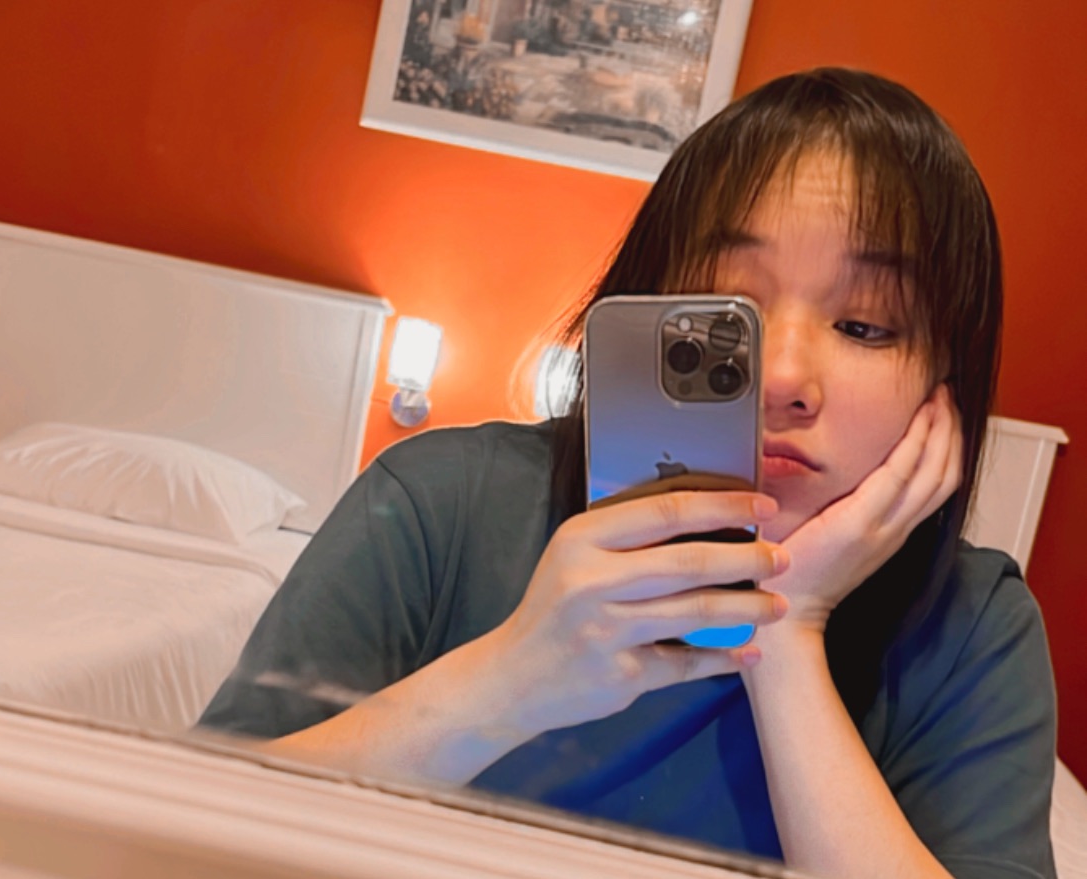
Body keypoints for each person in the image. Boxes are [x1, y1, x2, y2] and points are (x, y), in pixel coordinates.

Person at [198, 68, 1056, 879]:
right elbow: (186, 834)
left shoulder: (973, 627)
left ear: (944, 380)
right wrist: (512, 676)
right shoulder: (440, 504)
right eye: (730, 308)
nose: (785, 375)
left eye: (866, 326)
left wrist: (786, 632)